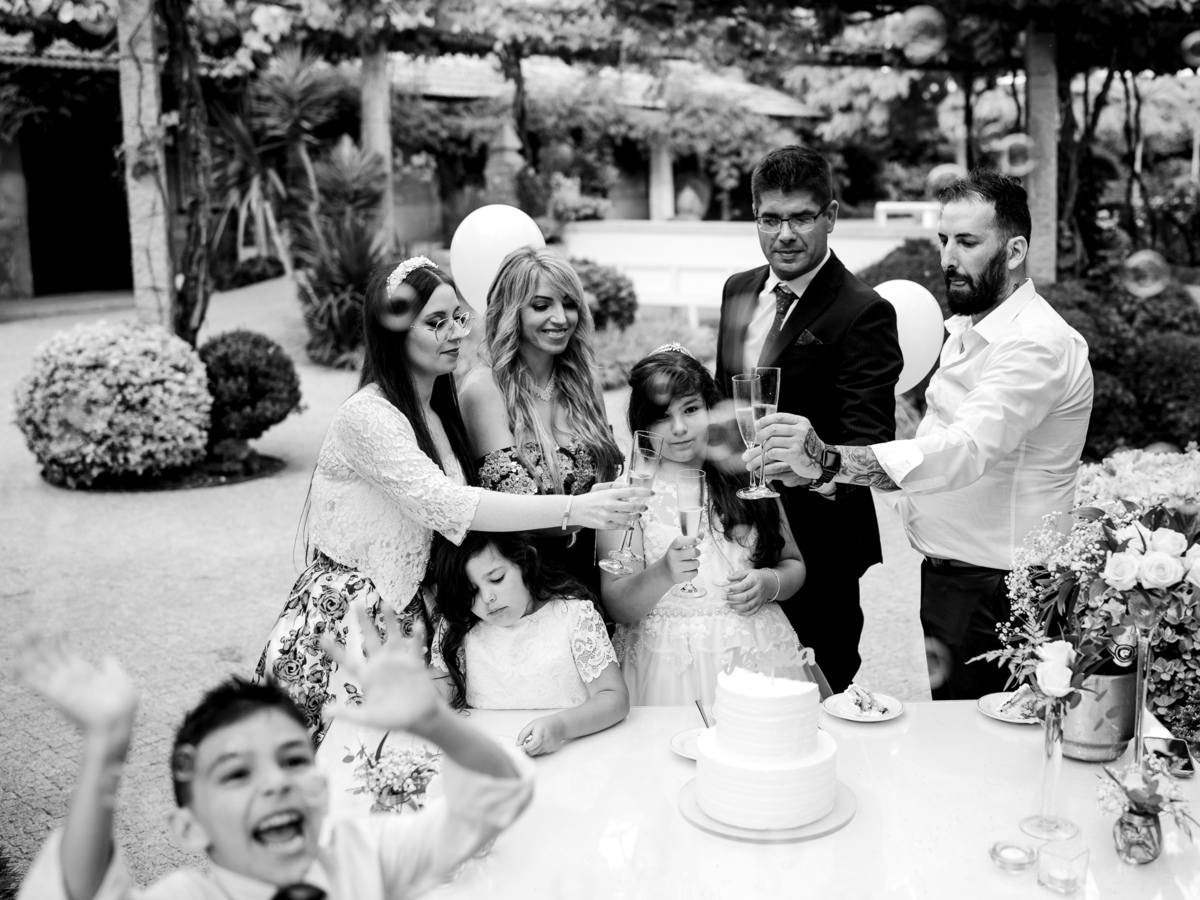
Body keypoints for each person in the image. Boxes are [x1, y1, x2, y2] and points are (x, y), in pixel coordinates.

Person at [257, 256, 649, 745]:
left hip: (420, 617)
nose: (455, 333)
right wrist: (575, 508)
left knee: (403, 768)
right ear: (393, 331)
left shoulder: (439, 412)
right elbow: (451, 505)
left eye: (458, 318)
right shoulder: (368, 416)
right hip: (350, 619)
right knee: (327, 761)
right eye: (435, 322)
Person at [750, 169, 1094, 700]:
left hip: (1006, 590)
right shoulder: (970, 331)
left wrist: (828, 459)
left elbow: (964, 450)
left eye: (967, 242)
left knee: (998, 736)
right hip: (957, 579)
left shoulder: (1036, 343)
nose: (947, 257)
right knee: (962, 729)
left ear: (1015, 250)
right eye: (944, 240)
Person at [16, 624, 533, 900]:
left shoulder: (360, 856)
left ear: (323, 786)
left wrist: (434, 723)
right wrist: (105, 748)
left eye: (292, 760)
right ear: (190, 827)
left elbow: (494, 801)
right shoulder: (189, 895)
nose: (275, 784)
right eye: (237, 773)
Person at [714, 145, 904, 693]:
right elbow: (723, 400)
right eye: (770, 219)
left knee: (821, 692)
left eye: (801, 218)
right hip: (738, 540)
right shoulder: (738, 289)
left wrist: (815, 468)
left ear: (831, 216)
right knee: (738, 691)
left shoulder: (864, 311)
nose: (785, 235)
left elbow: (872, 445)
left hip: (821, 550)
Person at [599, 346, 814, 706]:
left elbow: (794, 565)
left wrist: (768, 583)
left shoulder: (747, 476)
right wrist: (664, 573)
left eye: (691, 409)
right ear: (643, 423)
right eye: (663, 416)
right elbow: (618, 606)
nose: (680, 428)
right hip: (666, 664)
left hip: (754, 655)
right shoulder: (629, 494)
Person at [459, 247, 622, 597]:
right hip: (527, 583)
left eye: (569, 304)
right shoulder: (484, 390)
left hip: (596, 574)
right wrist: (589, 509)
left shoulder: (585, 381)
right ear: (511, 311)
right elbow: (513, 508)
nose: (560, 318)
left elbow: (611, 478)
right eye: (541, 305)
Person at [429, 532, 629, 755]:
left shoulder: (574, 616)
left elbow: (614, 697)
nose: (487, 598)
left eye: (497, 579)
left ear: (525, 563)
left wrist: (561, 726)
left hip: (569, 753)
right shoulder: (459, 626)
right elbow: (436, 694)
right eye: (471, 591)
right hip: (489, 756)